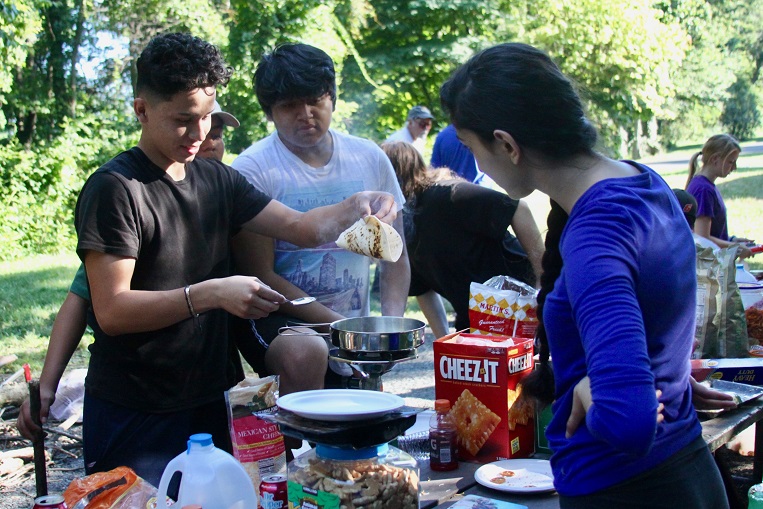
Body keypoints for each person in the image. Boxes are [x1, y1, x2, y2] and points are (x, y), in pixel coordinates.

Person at [27, 32, 397, 487]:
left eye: (206, 117)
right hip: (137, 407)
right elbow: (112, 309)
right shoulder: (116, 189)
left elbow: (301, 227)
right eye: (183, 120)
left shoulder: (217, 179)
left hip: (211, 399)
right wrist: (209, 294)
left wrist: (357, 204)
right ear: (141, 109)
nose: (199, 134)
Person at [440, 42, 729, 508]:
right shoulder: (645, 182)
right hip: (687, 471)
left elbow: (628, 421)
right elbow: (654, 309)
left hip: (626, 489)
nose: (479, 168)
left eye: (474, 149)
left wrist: (599, 386)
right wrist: (653, 371)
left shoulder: (596, 233)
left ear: (507, 145)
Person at [17, 101, 245, 445]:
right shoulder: (129, 192)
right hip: (140, 393)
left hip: (212, 384)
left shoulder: (227, 192)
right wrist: (47, 385)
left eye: (217, 133)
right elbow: (81, 299)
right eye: (193, 125)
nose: (208, 140)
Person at [230, 43, 410, 390]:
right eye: (290, 105)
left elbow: (395, 257)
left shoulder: (369, 157)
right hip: (282, 318)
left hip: (352, 317)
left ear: (332, 99)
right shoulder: (253, 169)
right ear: (269, 111)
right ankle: (293, 441)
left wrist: (390, 325)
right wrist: (341, 327)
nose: (306, 113)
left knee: (364, 419)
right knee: (305, 352)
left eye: (316, 100)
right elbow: (260, 274)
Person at [381, 141, 544, 337]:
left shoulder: (447, 194)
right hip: (477, 320)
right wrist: (446, 341)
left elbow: (518, 209)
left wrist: (542, 281)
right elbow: (423, 291)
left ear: (392, 174)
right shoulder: (404, 224)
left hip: (521, 306)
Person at [686, 134, 754, 258]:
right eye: (731, 162)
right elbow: (702, 238)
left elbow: (712, 233)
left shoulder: (707, 186)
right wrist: (735, 248)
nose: (734, 168)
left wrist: (732, 240)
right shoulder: (703, 190)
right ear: (715, 159)